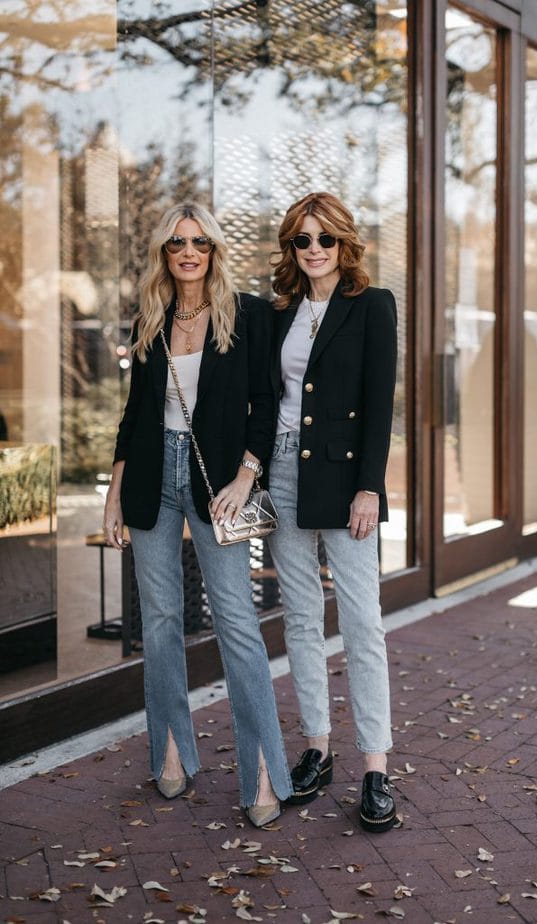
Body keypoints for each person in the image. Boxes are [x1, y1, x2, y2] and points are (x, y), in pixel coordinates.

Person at [103, 201, 292, 827]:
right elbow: (134, 416)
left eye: (201, 242)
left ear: (214, 250)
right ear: (165, 253)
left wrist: (245, 476)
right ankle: (172, 751)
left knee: (236, 620)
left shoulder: (248, 316)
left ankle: (264, 771)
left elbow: (265, 403)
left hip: (218, 484)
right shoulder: (149, 320)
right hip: (154, 477)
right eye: (178, 243)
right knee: (160, 621)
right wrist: (113, 493)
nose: (189, 252)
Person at [267, 191, 398, 832]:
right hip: (285, 472)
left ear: (345, 245)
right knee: (300, 618)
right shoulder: (280, 312)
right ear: (291, 248)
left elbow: (379, 403)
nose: (314, 250)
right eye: (302, 240)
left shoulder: (371, 306)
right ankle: (318, 748)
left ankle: (375, 765)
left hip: (347, 482)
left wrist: (370, 486)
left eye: (325, 239)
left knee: (362, 620)